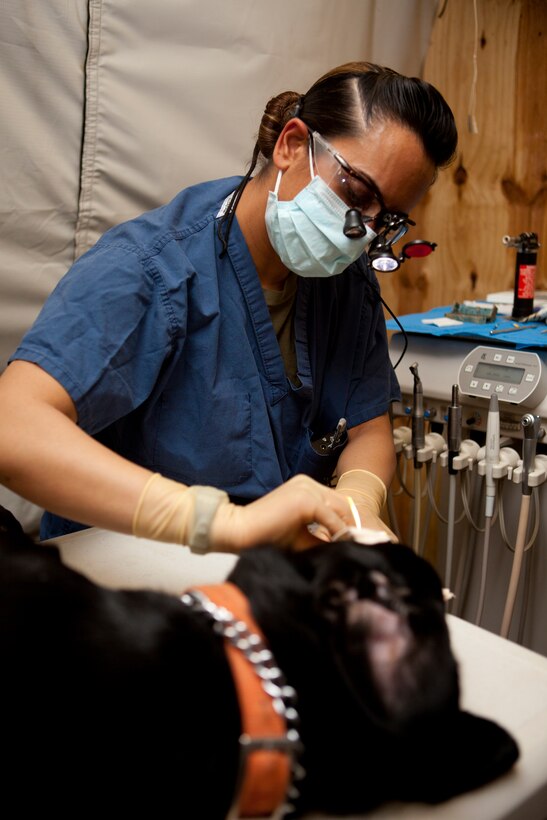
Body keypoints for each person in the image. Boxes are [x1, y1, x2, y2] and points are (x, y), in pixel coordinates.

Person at [0, 61, 457, 554]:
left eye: (384, 220)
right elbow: (14, 426)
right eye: (355, 193)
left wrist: (357, 502)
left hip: (260, 576)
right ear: (292, 145)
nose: (360, 232)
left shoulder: (345, 281)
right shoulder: (153, 268)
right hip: (128, 575)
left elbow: (366, 427)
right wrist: (211, 522)